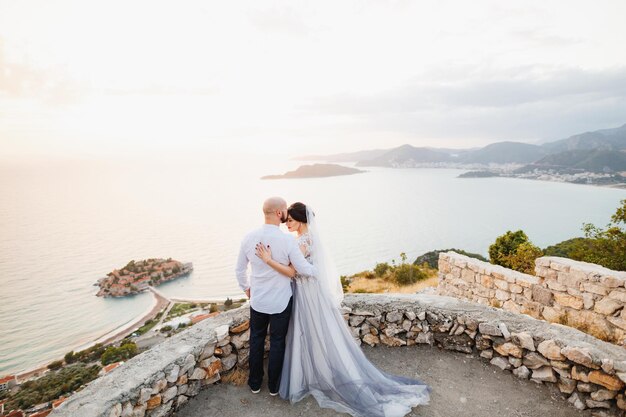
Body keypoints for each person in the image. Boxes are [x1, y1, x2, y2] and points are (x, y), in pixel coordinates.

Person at [255, 202, 430, 417]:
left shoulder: (301, 242)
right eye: (287, 220)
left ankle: (310, 375)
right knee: (312, 332)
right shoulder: (308, 239)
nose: (287, 224)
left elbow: (293, 271)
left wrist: (268, 260)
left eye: (290, 220)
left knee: (307, 331)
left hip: (305, 294)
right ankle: (315, 371)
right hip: (309, 291)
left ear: (301, 220)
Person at [235, 197, 317, 395]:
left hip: (258, 300)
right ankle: (274, 386)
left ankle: (254, 383)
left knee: (256, 339)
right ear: (280, 213)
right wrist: (322, 273)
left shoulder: (249, 237)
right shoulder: (287, 240)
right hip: (281, 300)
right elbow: (303, 268)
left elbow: (239, 270)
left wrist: (247, 290)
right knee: (278, 341)